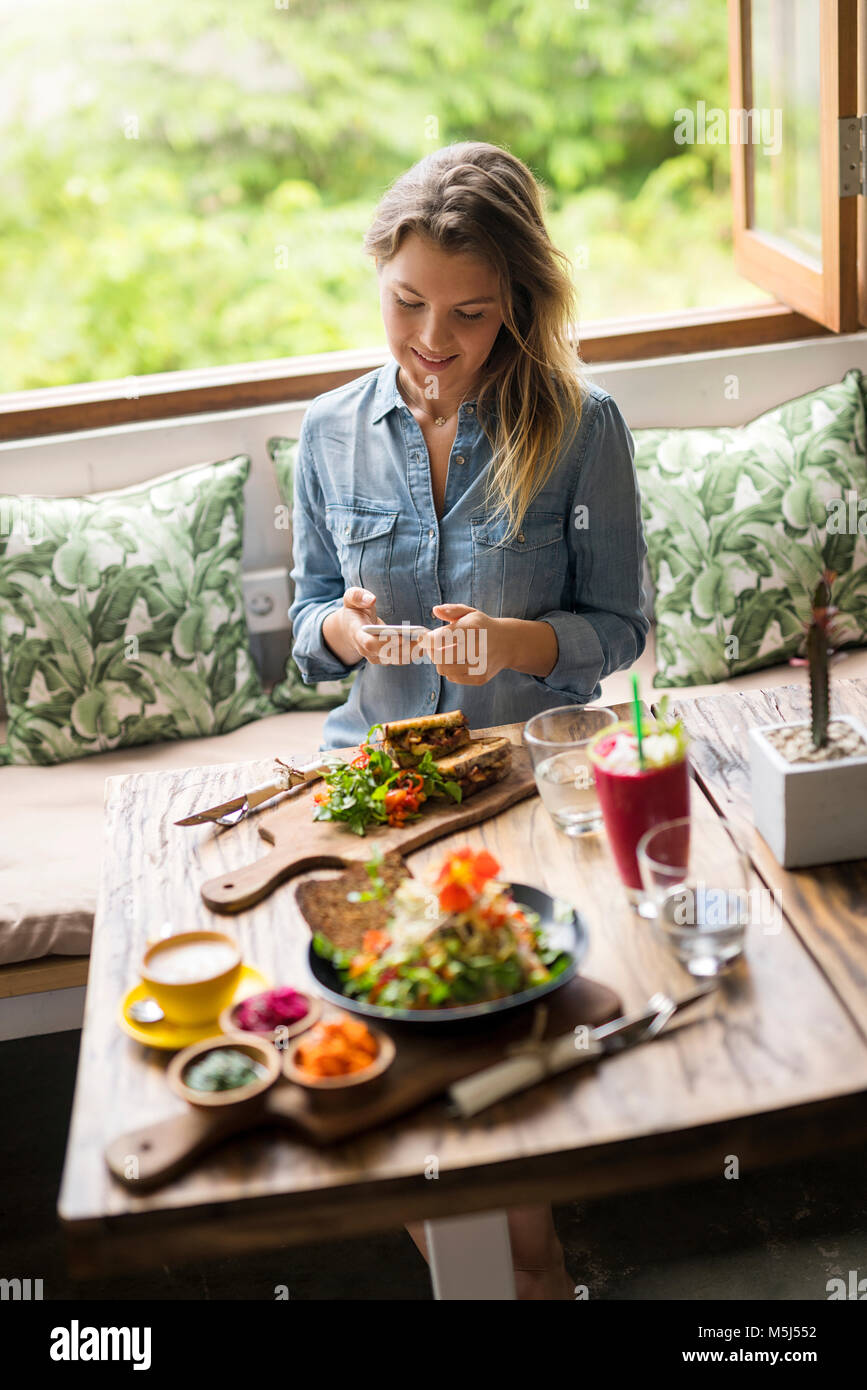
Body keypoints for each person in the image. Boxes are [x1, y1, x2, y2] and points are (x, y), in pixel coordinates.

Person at [289, 141, 649, 1298]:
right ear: (378, 280)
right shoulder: (326, 434)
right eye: (406, 304)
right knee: (401, 1077)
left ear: (519, 306)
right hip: (375, 795)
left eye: (471, 314)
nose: (432, 340)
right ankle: (514, 1271)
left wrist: (525, 645)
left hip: (523, 790)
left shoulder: (583, 428)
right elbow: (298, 630)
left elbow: (623, 626)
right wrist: (336, 632)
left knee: (487, 1048)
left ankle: (520, 1270)